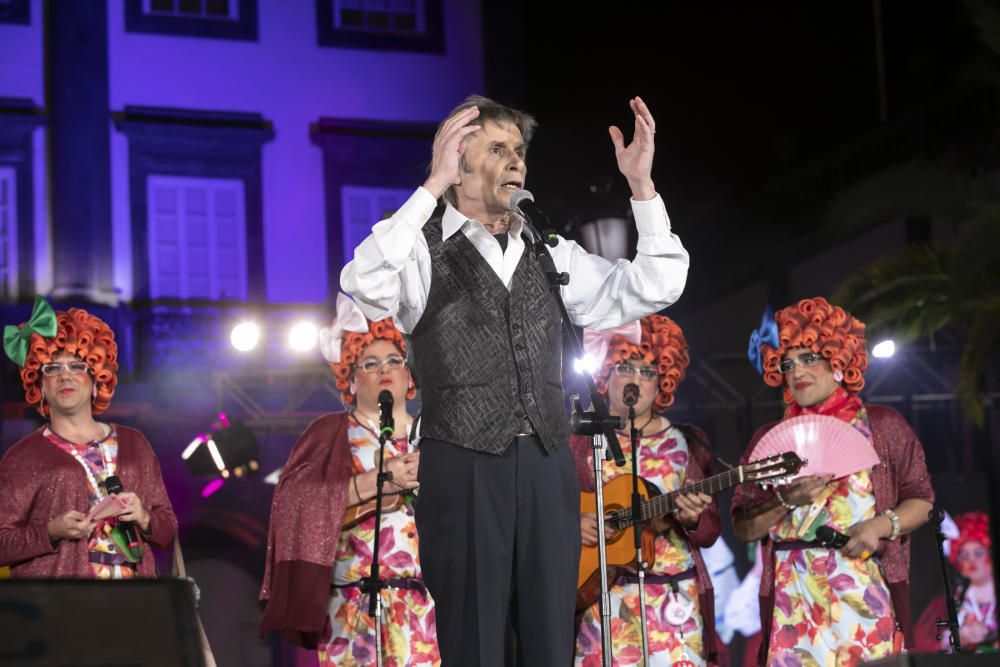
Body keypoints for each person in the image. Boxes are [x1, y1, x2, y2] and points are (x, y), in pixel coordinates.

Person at [341, 94, 689, 665]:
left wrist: (642, 189)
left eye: (520, 152)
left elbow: (653, 287)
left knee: (551, 636)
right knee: (476, 636)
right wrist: (430, 187)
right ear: (459, 164)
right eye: (497, 149)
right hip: (462, 460)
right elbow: (365, 281)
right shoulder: (423, 249)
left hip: (549, 461)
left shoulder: (549, 249)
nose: (516, 163)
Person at [733, 297, 935, 666]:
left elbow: (921, 500)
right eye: (787, 363)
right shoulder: (768, 438)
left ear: (838, 359)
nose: (797, 371)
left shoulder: (883, 426)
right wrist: (785, 500)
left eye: (809, 358)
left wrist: (880, 524)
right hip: (791, 595)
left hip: (860, 583)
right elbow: (744, 529)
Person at [260, 293, 439, 665]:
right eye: (369, 363)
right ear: (351, 380)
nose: (383, 368)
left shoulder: (436, 434)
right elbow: (292, 506)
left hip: (424, 605)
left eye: (394, 359)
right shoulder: (329, 432)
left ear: (409, 373)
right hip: (349, 605)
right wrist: (378, 480)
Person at [571, 315, 720, 666]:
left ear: (662, 382)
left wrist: (697, 518)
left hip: (674, 598)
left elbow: (712, 530)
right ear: (605, 376)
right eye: (625, 366)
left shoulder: (688, 442)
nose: (635, 379)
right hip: (602, 598)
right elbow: (542, 510)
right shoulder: (577, 441)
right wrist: (574, 523)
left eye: (649, 372)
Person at [0, 297, 177, 579]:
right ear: (41, 386)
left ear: (97, 380)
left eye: (77, 366)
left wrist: (143, 516)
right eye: (53, 368)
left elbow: (167, 530)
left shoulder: (135, 444)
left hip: (136, 607)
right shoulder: (21, 457)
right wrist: (49, 532)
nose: (65, 377)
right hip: (59, 612)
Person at [915, 511, 997, 652]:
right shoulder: (950, 600)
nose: (971, 560)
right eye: (963, 555)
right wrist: (958, 637)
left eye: (978, 553)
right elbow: (924, 642)